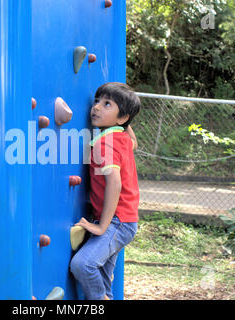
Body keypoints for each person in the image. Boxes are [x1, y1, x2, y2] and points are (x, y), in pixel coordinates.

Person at [70, 82, 141, 300]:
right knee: (101, 272)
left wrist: (101, 226)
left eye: (107, 104)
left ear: (122, 118)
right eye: (97, 101)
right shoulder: (122, 138)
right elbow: (135, 143)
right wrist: (123, 122)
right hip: (125, 220)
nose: (97, 108)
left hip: (117, 222)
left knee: (83, 265)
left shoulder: (105, 144)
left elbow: (115, 184)